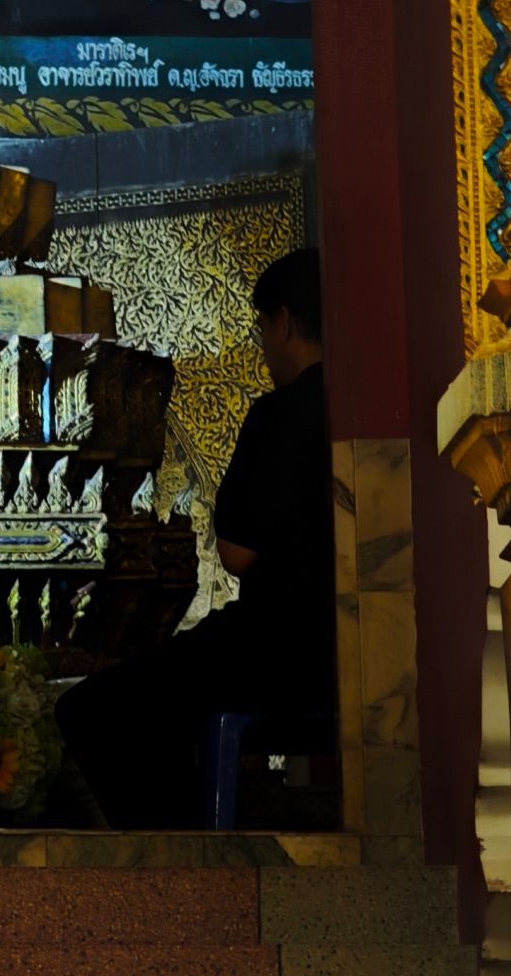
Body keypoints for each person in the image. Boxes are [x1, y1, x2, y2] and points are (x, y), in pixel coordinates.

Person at [54, 247, 333, 829]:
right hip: (348, 648)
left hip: (278, 645)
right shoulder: (360, 407)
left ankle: (180, 863)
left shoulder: (281, 415)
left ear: (282, 320)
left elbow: (236, 553)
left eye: (262, 328)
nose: (263, 346)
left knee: (94, 710)